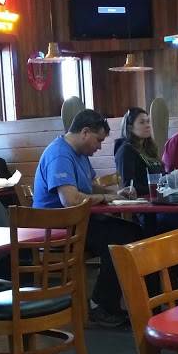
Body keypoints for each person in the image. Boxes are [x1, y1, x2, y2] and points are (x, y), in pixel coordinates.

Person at [34, 109, 141, 328]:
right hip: (58, 229)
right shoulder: (60, 154)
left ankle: (119, 302)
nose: (99, 147)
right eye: (98, 140)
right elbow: (71, 200)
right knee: (120, 240)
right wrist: (105, 198)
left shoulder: (80, 154)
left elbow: (89, 186)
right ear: (85, 132)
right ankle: (101, 306)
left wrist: (115, 193)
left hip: (79, 222)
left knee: (134, 232)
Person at [114, 107, 164, 197]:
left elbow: (160, 174)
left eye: (148, 121)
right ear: (130, 127)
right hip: (140, 201)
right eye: (142, 122)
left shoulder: (149, 148)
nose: (147, 125)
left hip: (157, 196)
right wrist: (159, 186)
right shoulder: (126, 151)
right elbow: (129, 186)